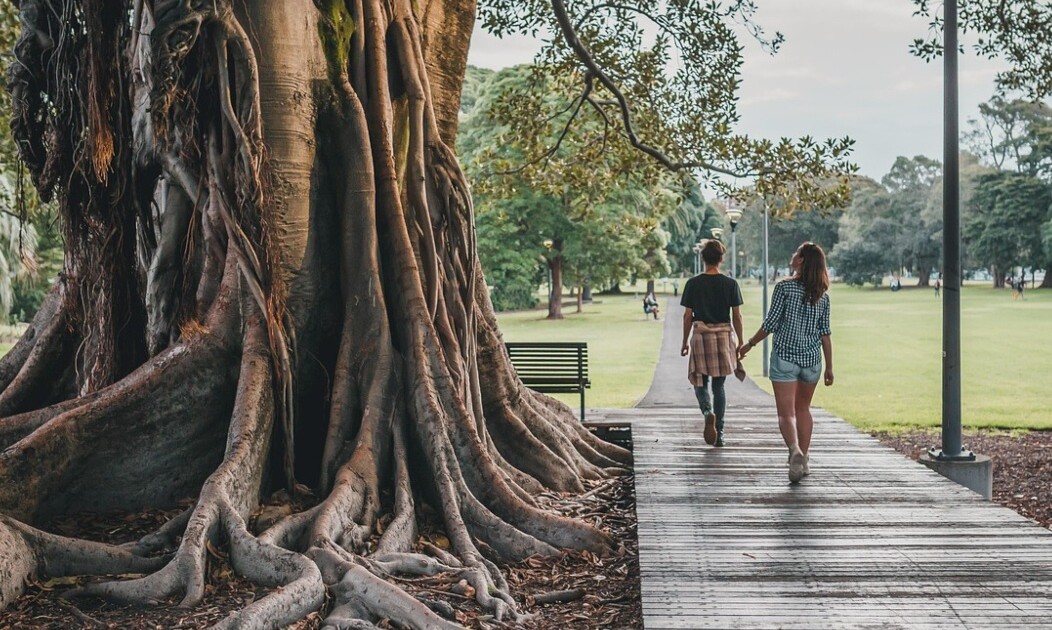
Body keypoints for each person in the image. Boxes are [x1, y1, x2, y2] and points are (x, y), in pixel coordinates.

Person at [739, 242, 834, 483]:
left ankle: (794, 451)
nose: (792, 255)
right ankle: (805, 460)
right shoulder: (823, 295)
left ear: (801, 260)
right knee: (804, 409)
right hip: (812, 360)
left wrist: (749, 344)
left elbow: (770, 324)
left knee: (786, 414)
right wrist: (830, 366)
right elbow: (825, 333)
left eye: (796, 253)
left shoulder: (784, 288)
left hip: (785, 358)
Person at [679, 239, 744, 448]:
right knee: (719, 386)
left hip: (700, 337)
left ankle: (707, 412)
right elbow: (737, 316)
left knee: (699, 381)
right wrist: (740, 342)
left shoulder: (693, 284)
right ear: (721, 259)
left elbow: (687, 316)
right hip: (722, 337)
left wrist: (684, 341)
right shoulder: (730, 284)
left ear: (703, 258)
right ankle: (720, 433)